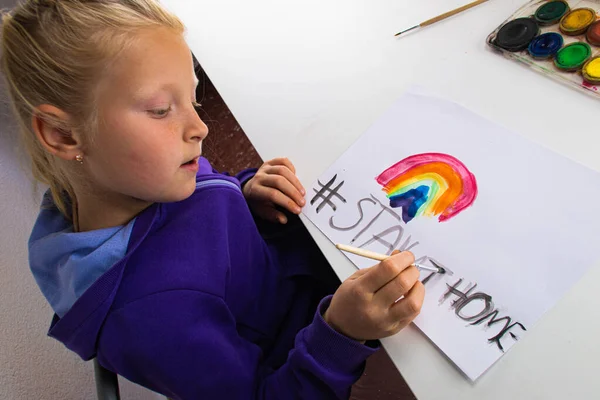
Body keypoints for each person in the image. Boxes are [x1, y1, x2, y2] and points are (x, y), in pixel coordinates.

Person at [1, 1, 425, 398]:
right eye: (161, 110)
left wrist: (245, 195)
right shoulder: (155, 317)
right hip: (315, 349)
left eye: (194, 97)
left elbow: (205, 212)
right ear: (63, 135)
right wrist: (341, 334)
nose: (201, 126)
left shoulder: (137, 177)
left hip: (302, 270)